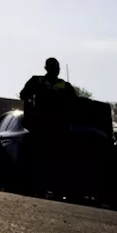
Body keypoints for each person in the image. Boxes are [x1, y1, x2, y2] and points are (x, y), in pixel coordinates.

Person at [18, 57, 75, 193]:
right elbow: (23, 95)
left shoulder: (64, 85)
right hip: (41, 126)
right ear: (47, 68)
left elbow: (74, 102)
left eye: (56, 67)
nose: (55, 70)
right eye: (54, 67)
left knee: (56, 159)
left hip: (58, 129)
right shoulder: (38, 81)